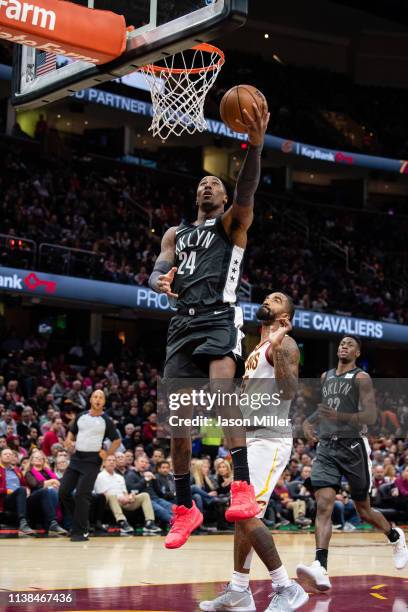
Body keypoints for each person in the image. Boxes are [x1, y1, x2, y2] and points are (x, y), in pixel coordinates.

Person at [149, 100, 270, 549]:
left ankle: (241, 486)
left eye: (214, 183)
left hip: (220, 318)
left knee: (222, 395)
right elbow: (158, 266)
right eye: (201, 182)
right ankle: (185, 508)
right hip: (182, 325)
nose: (206, 186)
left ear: (223, 198)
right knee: (178, 427)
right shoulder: (175, 234)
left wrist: (254, 148)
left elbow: (248, 190)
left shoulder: (232, 224)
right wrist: (158, 279)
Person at [200, 292, 308, 611]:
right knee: (241, 515)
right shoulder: (256, 348)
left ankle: (285, 587)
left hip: (270, 439)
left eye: (276, 300)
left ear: (285, 316)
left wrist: (277, 343)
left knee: (246, 514)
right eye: (267, 297)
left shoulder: (284, 345)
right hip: (249, 439)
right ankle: (239, 590)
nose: (267, 300)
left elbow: (289, 391)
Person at [297, 336, 408, 591]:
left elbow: (370, 416)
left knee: (363, 510)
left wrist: (339, 416)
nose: (343, 346)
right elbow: (326, 407)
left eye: (349, 344)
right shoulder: (326, 377)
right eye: (341, 343)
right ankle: (320, 566)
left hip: (353, 448)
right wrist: (308, 421)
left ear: (357, 353)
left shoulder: (361, 378)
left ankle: (395, 536)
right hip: (327, 447)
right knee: (324, 504)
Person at [59, 389, 121, 542]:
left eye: (101, 397)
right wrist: (68, 441)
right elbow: (72, 431)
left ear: (104, 402)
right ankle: (82, 520)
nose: (98, 399)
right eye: (95, 396)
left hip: (93, 461)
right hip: (76, 458)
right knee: (63, 492)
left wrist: (107, 455)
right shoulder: (81, 416)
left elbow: (117, 440)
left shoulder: (106, 420)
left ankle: (80, 531)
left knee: (82, 494)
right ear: (90, 400)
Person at [94, 455, 160, 535]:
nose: (112, 462)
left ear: (116, 463)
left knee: (144, 495)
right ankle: (122, 522)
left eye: (114, 460)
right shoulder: (100, 476)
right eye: (109, 460)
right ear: (104, 463)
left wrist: (129, 496)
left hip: (123, 500)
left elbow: (125, 492)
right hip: (109, 502)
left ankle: (149, 523)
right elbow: (102, 494)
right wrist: (120, 498)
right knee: (112, 496)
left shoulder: (119, 477)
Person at [24, 450, 67, 535]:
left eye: (41, 458)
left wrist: (54, 483)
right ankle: (52, 523)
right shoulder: (29, 473)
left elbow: (58, 484)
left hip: (51, 495)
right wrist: (52, 481)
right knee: (49, 491)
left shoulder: (48, 472)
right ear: (31, 460)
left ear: (44, 460)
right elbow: (35, 485)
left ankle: (67, 524)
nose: (39, 459)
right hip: (35, 498)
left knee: (66, 494)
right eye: (36, 457)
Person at [0, 448, 34, 535]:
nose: (8, 455)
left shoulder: (17, 470)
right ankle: (22, 523)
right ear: (0, 457)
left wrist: (28, 489)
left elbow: (24, 484)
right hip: (4, 499)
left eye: (10, 454)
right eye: (5, 454)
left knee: (43, 492)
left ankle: (52, 522)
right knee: (21, 490)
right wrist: (7, 491)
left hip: (20, 496)